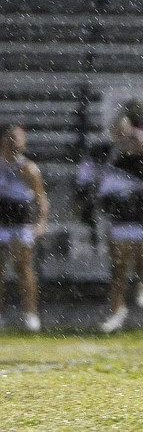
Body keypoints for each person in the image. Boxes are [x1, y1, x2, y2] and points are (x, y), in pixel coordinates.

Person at [76, 113, 143, 333]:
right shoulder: (105, 154)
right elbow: (90, 179)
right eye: (118, 131)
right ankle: (117, 312)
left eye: (127, 133)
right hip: (119, 219)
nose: (124, 137)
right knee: (118, 268)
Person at [0, 124, 49, 332]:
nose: (14, 142)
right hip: (1, 221)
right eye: (11, 138)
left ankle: (30, 313)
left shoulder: (28, 168)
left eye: (18, 138)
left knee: (23, 268)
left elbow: (41, 199)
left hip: (21, 222)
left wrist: (40, 223)